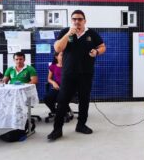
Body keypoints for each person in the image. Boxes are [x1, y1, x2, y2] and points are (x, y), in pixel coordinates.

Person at [47, 10, 106, 141]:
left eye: (79, 19)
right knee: (62, 101)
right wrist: (68, 34)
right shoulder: (66, 32)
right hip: (68, 74)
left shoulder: (91, 33)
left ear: (85, 21)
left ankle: (81, 125)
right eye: (74, 19)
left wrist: (97, 51)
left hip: (86, 73)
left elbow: (102, 47)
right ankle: (57, 130)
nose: (76, 21)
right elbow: (57, 48)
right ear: (71, 20)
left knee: (84, 100)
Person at [44, 52, 71, 116]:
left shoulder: (70, 65)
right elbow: (49, 79)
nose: (64, 57)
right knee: (47, 98)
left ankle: (66, 110)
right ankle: (55, 111)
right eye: (62, 55)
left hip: (68, 89)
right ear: (56, 57)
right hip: (57, 88)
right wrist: (53, 82)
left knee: (61, 98)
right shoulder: (52, 66)